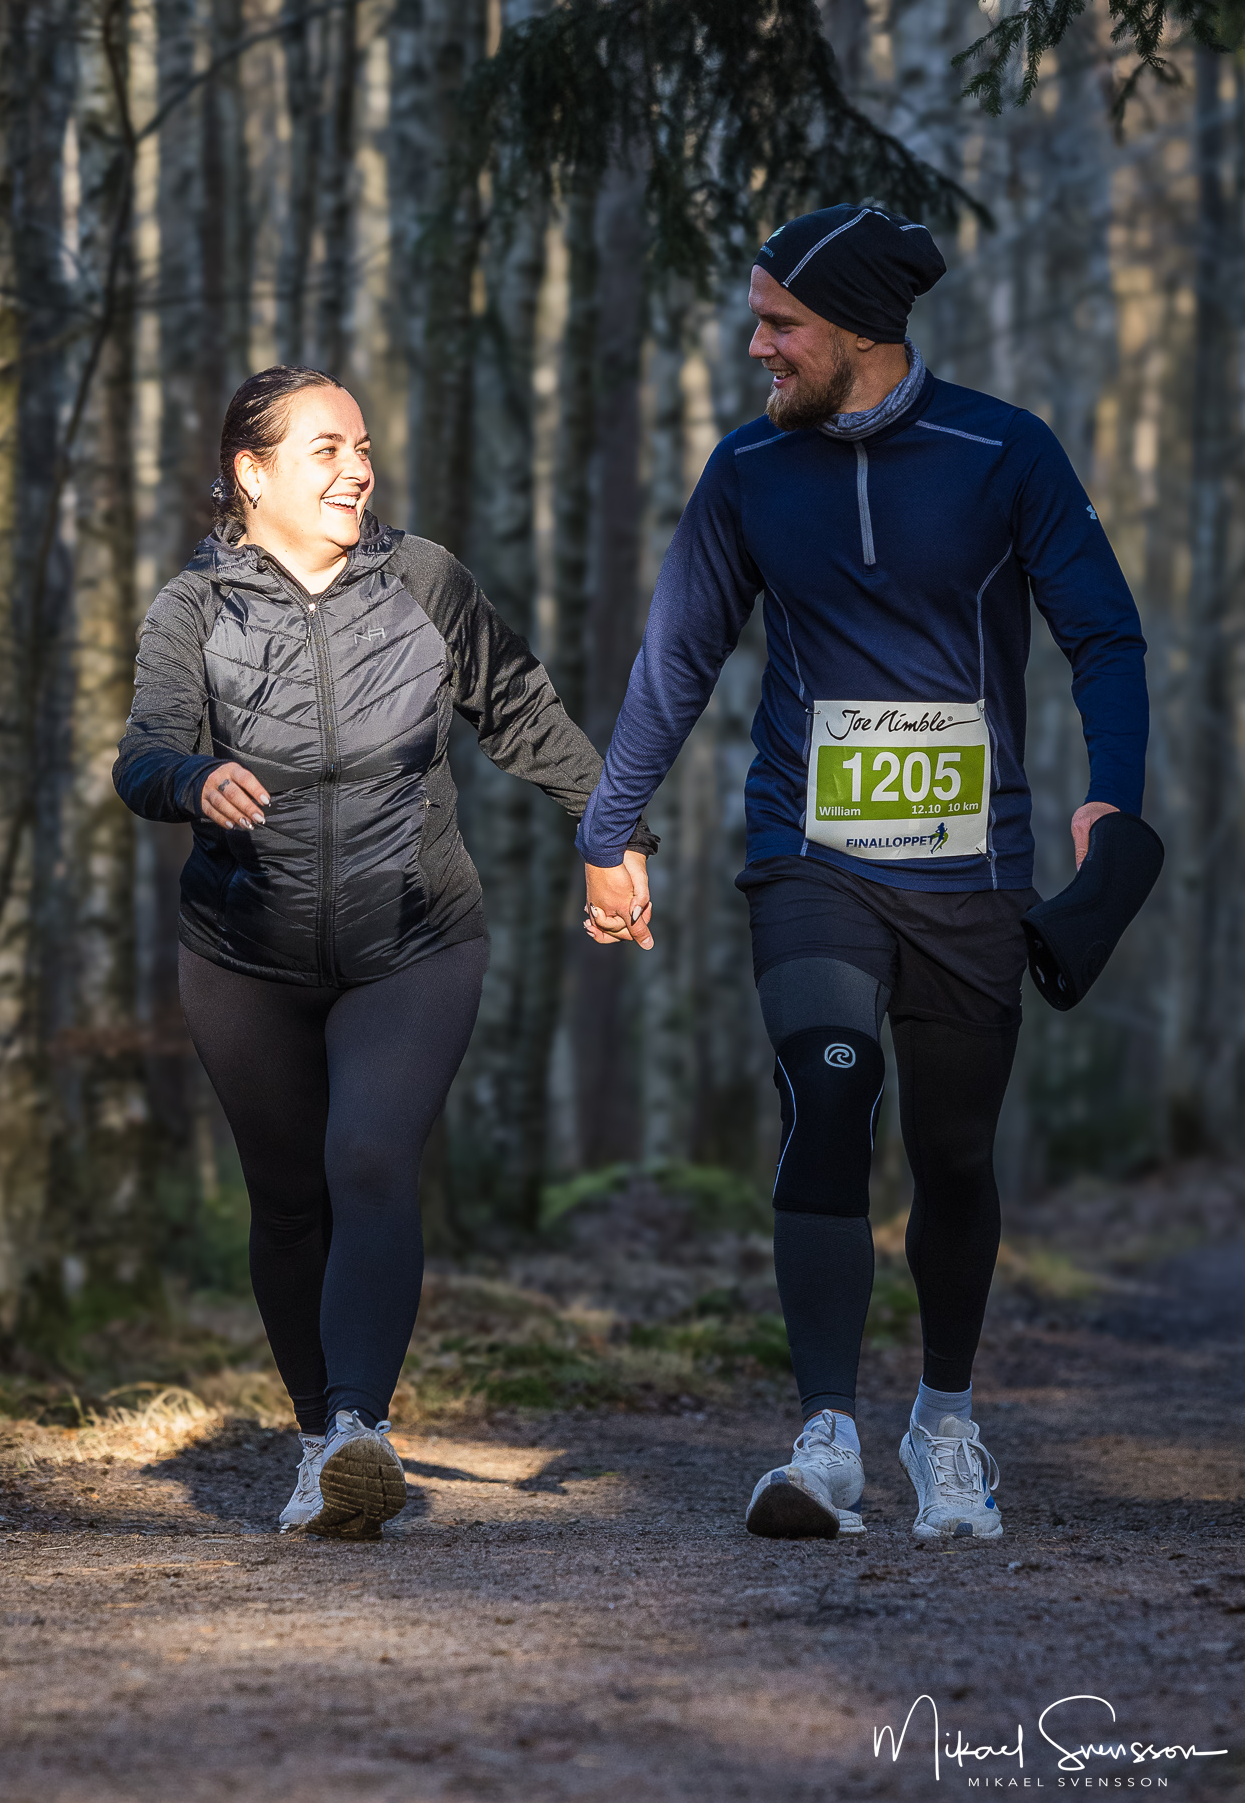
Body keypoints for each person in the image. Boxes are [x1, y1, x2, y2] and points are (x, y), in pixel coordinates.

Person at [577, 205, 1147, 1542]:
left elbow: (1105, 639)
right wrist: (610, 832)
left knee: (952, 1155)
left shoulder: (1004, 453)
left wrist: (1110, 803)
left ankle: (945, 1422)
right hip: (808, 854)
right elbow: (675, 662)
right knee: (829, 1099)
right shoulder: (747, 473)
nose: (757, 342)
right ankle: (825, 1437)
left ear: (860, 332)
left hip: (976, 871)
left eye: (782, 322)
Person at [114, 365, 653, 1541]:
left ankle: (358, 1429)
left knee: (366, 1157)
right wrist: (196, 777)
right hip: (242, 952)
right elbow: (142, 754)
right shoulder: (191, 611)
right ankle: (319, 1440)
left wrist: (612, 833)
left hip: (413, 937)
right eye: (325, 449)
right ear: (251, 474)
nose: (357, 467)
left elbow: (520, 708)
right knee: (289, 1200)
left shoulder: (423, 581)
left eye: (362, 446)